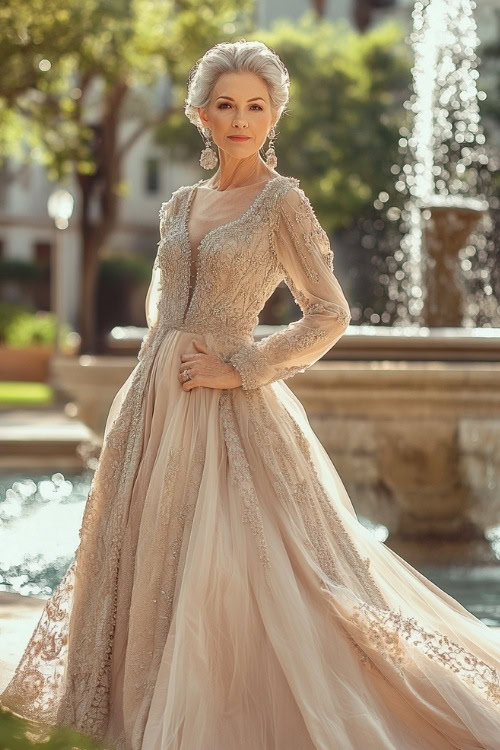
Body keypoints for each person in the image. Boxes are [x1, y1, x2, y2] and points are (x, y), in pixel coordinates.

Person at [1, 39, 500, 750]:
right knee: (144, 556)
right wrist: (162, 363)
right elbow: (160, 306)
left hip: (229, 400)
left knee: (248, 570)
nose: (241, 119)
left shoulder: (281, 203)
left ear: (274, 116)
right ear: (201, 114)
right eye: (227, 105)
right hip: (153, 403)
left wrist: (242, 366)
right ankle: (136, 719)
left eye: (256, 107)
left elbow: (330, 314)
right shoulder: (179, 204)